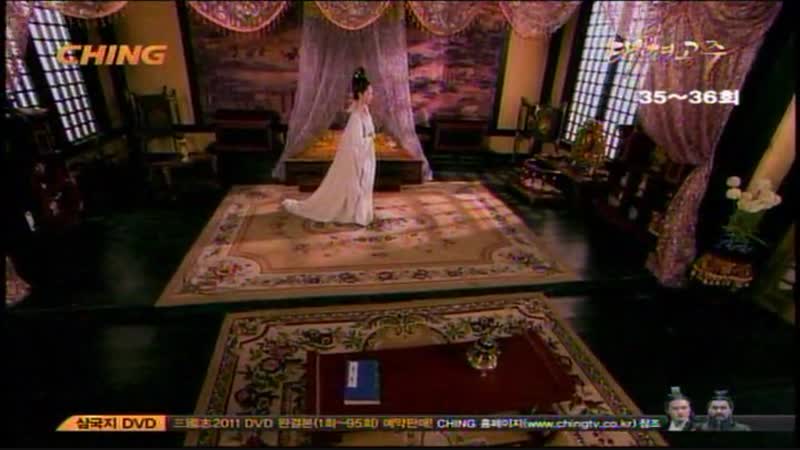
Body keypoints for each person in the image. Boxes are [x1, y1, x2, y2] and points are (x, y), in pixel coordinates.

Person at [282, 67, 376, 226]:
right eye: (369, 93)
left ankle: (359, 212)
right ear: (360, 94)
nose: (372, 96)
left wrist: (369, 139)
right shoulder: (355, 118)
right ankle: (354, 212)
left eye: (372, 93)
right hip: (355, 159)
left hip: (365, 157)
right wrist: (369, 140)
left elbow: (369, 133)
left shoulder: (365, 111)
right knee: (353, 186)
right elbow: (355, 145)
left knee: (364, 184)